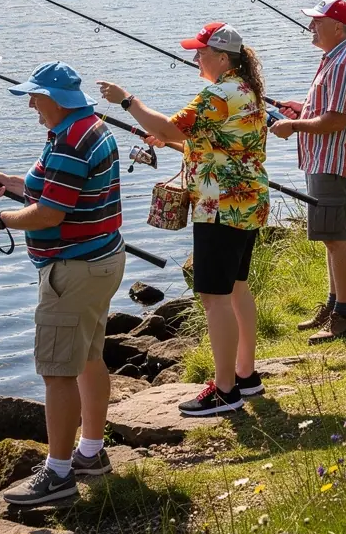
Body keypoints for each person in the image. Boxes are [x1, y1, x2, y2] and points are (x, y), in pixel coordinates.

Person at [98, 21, 270, 418]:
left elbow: (166, 123)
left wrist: (127, 101)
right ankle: (246, 375)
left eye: (201, 51)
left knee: (213, 297)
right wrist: (175, 141)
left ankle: (225, 390)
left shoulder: (218, 92)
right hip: (246, 202)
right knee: (237, 287)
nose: (195, 57)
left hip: (219, 208)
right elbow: (217, 144)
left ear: (222, 58)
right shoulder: (247, 91)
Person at [0, 62, 124, 506]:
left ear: (55, 99)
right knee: (90, 357)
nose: (33, 108)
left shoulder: (70, 141)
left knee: (57, 373)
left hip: (73, 271)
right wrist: (13, 184)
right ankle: (90, 454)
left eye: (35, 99)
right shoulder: (87, 128)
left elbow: (50, 214)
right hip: (102, 260)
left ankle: (58, 475)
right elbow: (54, 192)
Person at [270, 0, 346, 343]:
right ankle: (333, 304)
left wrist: (294, 127)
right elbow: (328, 109)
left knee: (336, 238)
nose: (311, 27)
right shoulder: (336, 58)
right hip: (326, 160)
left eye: (318, 21)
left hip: (334, 162)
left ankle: (344, 315)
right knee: (331, 238)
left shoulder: (342, 64)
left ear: (338, 27)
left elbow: (337, 120)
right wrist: (302, 109)